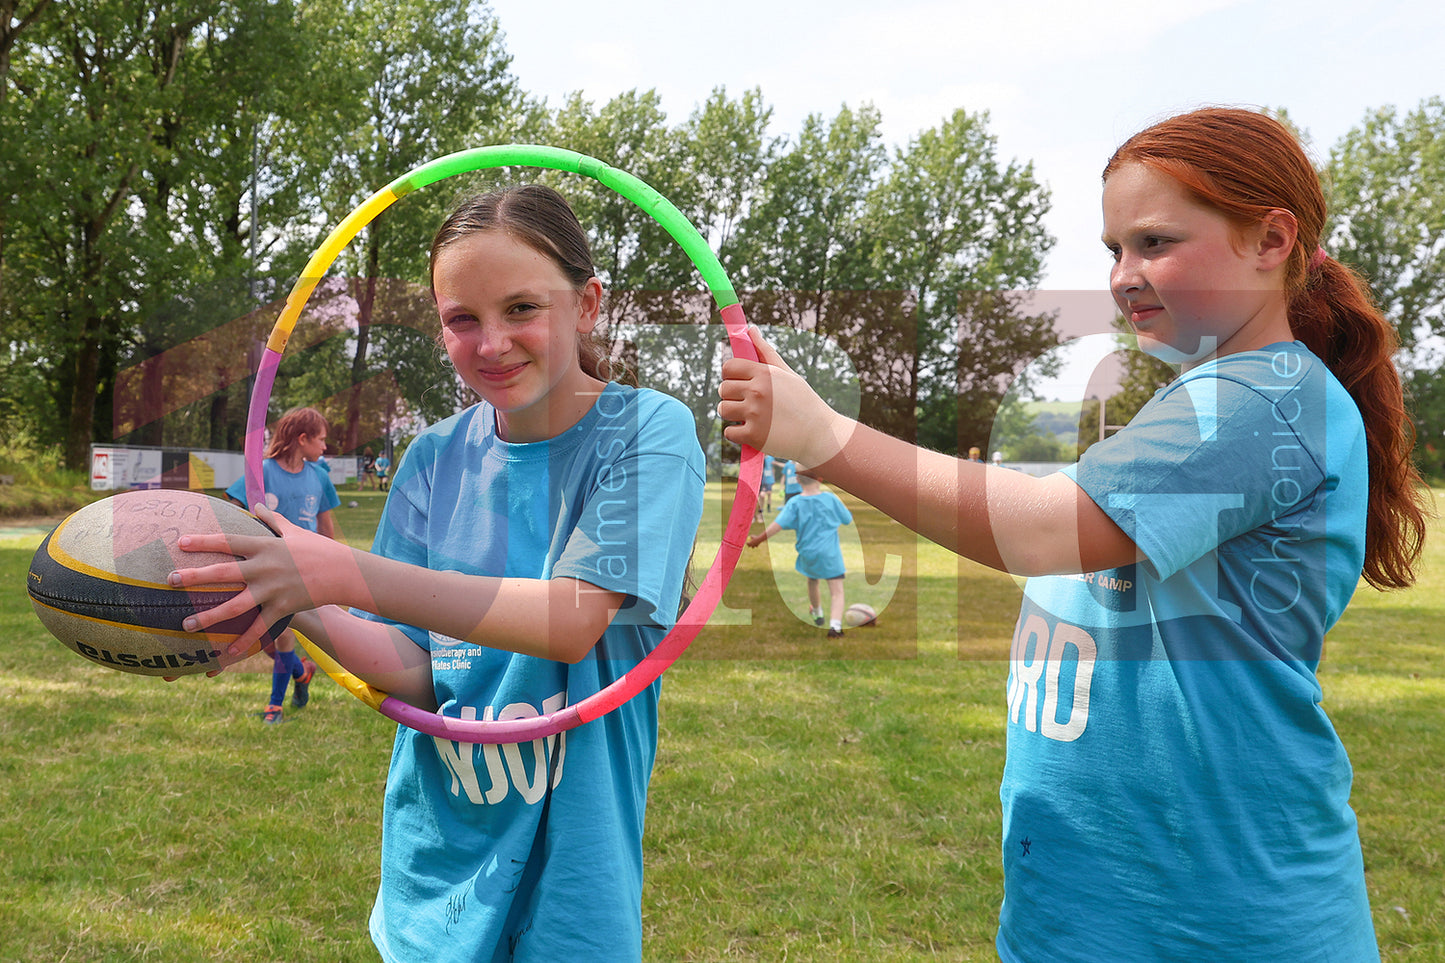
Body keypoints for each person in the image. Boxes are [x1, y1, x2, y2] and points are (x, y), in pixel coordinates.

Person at [718, 107, 1428, 962]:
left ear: (1270, 240)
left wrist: (827, 435)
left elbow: (1046, 530)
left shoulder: (1267, 400)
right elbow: (1042, 503)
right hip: (1084, 915)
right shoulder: (1201, 402)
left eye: (1155, 242)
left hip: (1215, 924)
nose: (1125, 275)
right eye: (1113, 250)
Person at [175, 184, 705, 962]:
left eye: (522, 308)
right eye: (462, 319)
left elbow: (572, 618)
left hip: (571, 887)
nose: (490, 343)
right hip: (434, 881)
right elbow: (421, 670)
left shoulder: (647, 431)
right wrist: (289, 601)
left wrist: (343, 574)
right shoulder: (431, 458)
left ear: (588, 304)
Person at [224, 405, 340, 724]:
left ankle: (274, 705)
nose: (325, 447)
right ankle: (301, 674)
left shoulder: (319, 477)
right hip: (260, 565)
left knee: (284, 632)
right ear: (302, 439)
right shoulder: (261, 472)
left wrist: (333, 564)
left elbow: (325, 526)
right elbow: (232, 511)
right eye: (321, 440)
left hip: (300, 570)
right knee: (266, 642)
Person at [747, 472, 853, 637]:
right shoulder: (830, 499)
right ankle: (835, 627)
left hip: (807, 552)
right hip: (829, 552)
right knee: (837, 590)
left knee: (812, 581)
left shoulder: (795, 502)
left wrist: (759, 539)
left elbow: (777, 525)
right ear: (820, 479)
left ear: (797, 480)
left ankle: (817, 612)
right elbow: (847, 519)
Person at [755, 452, 775, 521]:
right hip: (756, 480)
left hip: (764, 481)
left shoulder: (768, 459)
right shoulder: (757, 458)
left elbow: (772, 469)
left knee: (763, 496)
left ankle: (760, 514)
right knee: (754, 498)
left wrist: (773, 478)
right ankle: (753, 515)